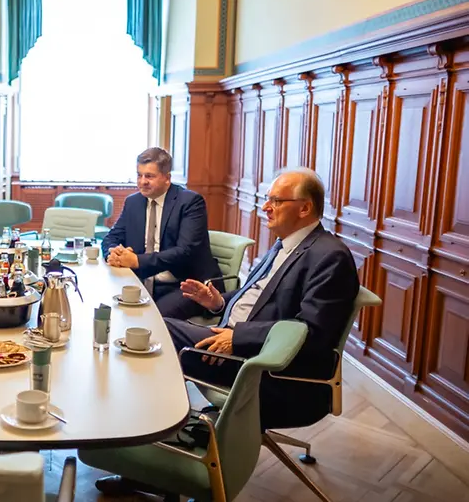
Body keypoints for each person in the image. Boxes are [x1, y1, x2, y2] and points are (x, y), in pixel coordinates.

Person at [95, 167, 360, 497]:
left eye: (276, 201)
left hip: (266, 368)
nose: (265, 207)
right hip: (235, 342)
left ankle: (147, 455)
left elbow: (311, 333)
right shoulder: (285, 245)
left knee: (149, 331)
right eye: (267, 200)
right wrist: (219, 301)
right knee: (148, 327)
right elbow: (258, 300)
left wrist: (238, 337)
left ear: (304, 208)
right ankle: (148, 451)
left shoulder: (329, 256)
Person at [100, 147, 222, 316]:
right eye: (139, 175)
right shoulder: (133, 202)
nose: (142, 182)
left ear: (167, 178)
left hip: (185, 285)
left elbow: (185, 252)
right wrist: (113, 253)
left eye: (149, 176)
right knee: (109, 306)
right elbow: (111, 237)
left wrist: (137, 261)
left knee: (152, 317)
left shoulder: (190, 202)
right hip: (141, 280)